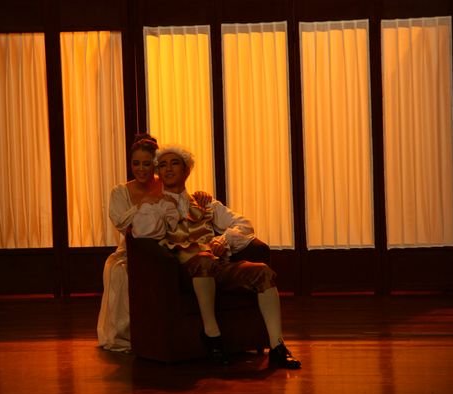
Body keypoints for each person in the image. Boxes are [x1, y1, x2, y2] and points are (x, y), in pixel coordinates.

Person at [131, 144, 301, 369]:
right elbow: (140, 233)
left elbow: (244, 224)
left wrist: (224, 240)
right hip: (184, 272)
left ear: (186, 170)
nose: (168, 169)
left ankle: (277, 347)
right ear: (158, 173)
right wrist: (158, 205)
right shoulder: (155, 206)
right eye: (162, 165)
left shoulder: (205, 203)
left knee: (262, 271)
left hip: (217, 264)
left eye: (174, 163)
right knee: (203, 261)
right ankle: (212, 335)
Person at [97, 134, 211, 352]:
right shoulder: (120, 192)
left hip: (168, 246)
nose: (141, 169)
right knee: (120, 272)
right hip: (133, 250)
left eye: (147, 164)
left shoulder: (165, 184)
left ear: (155, 165)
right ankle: (127, 337)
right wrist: (143, 204)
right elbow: (123, 225)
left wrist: (200, 196)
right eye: (136, 163)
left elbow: (184, 203)